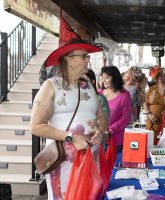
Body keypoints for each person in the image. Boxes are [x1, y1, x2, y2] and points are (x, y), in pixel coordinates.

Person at [30, 38, 108, 199]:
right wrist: (71, 137)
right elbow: (36, 126)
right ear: (69, 58)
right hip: (63, 161)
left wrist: (101, 130)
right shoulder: (51, 86)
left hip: (91, 158)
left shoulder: (88, 84)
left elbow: (101, 115)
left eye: (87, 56)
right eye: (84, 56)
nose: (88, 60)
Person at [98, 66, 131, 151]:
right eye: (103, 77)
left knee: (113, 164)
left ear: (115, 78)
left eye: (107, 78)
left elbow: (125, 118)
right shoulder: (98, 93)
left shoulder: (124, 95)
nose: (104, 80)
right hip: (98, 138)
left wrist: (110, 130)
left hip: (116, 140)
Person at [143, 68, 165, 144]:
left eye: (163, 75)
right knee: (150, 144)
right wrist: (149, 114)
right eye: (159, 75)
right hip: (151, 122)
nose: (160, 77)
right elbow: (145, 103)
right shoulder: (151, 89)